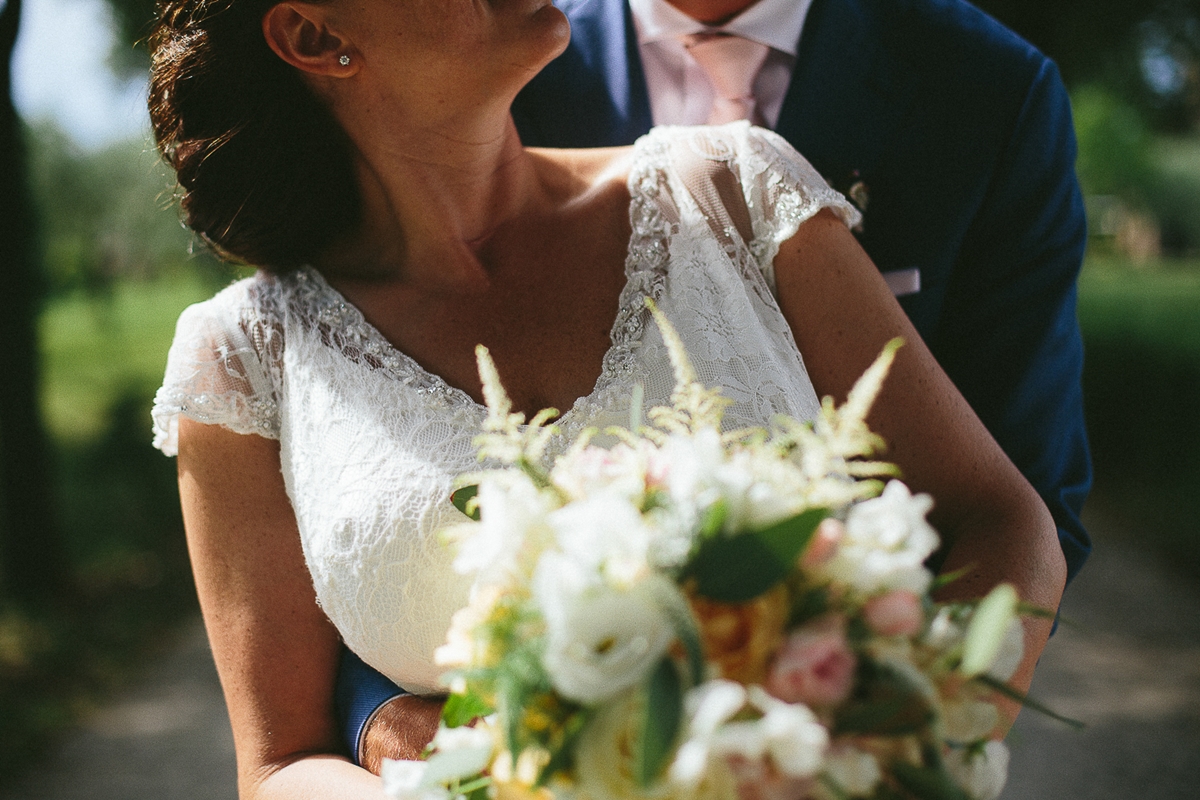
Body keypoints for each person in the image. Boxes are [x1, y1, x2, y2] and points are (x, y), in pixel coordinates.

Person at [149, 0, 1067, 796]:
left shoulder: (736, 194)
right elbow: (278, 765)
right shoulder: (245, 358)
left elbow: (1000, 519)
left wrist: (887, 752)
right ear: (314, 32)